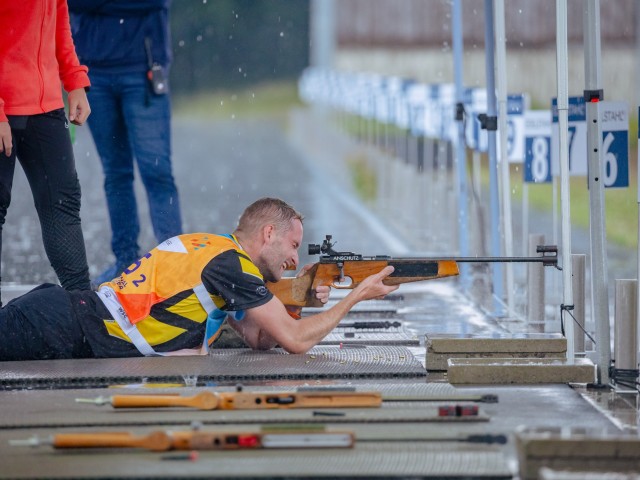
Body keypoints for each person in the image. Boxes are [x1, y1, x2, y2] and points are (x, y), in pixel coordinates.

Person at [0, 198, 398, 361]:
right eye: (293, 244)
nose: (297, 257)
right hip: (62, 325)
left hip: (63, 316)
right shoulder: (232, 266)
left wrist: (296, 301)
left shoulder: (212, 247)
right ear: (268, 235)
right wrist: (357, 295)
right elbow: (294, 342)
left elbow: (260, 340)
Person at [68, 0, 182, 284]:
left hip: (143, 69)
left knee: (157, 171)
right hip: (93, 73)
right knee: (116, 174)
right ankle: (125, 261)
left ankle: (176, 265)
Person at [0, 1, 92, 306]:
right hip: (3, 107)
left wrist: (74, 81)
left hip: (46, 105)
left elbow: (59, 23)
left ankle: (82, 310)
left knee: (63, 204)